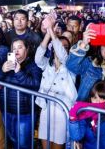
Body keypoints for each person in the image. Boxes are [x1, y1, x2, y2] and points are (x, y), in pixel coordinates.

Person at [35, 16, 77, 149]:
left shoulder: (71, 66)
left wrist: (51, 31)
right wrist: (48, 33)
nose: (62, 48)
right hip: (46, 108)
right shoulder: (47, 65)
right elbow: (37, 57)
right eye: (59, 46)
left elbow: (63, 55)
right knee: (45, 144)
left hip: (61, 111)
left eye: (65, 47)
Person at [0, 38, 42, 149]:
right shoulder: (8, 64)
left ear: (27, 49)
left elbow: (36, 84)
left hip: (25, 113)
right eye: (14, 48)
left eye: (20, 47)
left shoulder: (33, 65)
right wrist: (1, 71)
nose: (16, 50)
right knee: (12, 140)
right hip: (7, 110)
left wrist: (19, 72)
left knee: (23, 144)